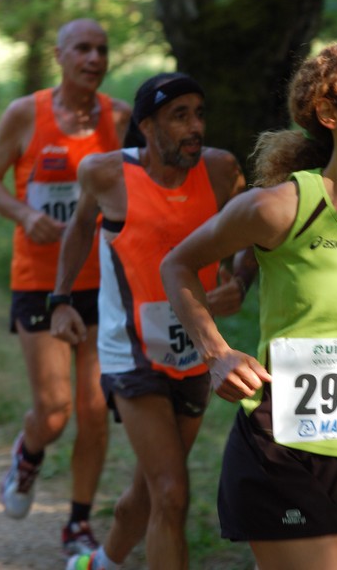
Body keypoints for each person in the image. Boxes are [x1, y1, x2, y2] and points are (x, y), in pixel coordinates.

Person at [160, 32, 337, 570]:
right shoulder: (280, 208)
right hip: (279, 449)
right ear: (329, 112)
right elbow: (178, 264)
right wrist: (216, 353)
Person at [48, 71, 248, 570]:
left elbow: (254, 231)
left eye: (199, 114)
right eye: (179, 116)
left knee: (152, 489)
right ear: (146, 126)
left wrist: (239, 282)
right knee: (171, 492)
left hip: (198, 349)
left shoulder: (222, 170)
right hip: (130, 349)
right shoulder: (106, 173)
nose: (194, 127)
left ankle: (100, 563)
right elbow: (77, 231)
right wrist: (61, 299)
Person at [0, 18, 132, 555]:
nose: (94, 58)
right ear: (60, 55)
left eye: (102, 48)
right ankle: (28, 455)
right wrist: (25, 215)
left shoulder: (120, 117)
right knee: (54, 410)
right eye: (83, 48)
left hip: (103, 281)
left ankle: (77, 521)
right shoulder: (26, 112)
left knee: (95, 409)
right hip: (40, 280)